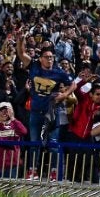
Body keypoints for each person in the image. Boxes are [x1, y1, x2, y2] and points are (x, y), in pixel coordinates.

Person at [16, 32, 73, 180]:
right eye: (47, 57)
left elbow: (73, 84)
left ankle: (54, 172)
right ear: (40, 58)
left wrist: (64, 95)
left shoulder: (59, 72)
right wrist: (21, 39)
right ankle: (32, 171)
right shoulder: (34, 66)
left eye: (52, 57)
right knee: (35, 143)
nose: (50, 59)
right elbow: (21, 53)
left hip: (52, 112)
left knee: (53, 144)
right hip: (35, 112)